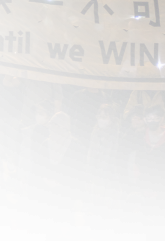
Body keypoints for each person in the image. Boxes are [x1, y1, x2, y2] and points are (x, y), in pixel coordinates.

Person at [34, 111, 86, 241]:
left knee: (67, 228)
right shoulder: (46, 144)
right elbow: (39, 168)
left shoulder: (75, 146)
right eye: (51, 125)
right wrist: (47, 180)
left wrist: (79, 197)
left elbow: (79, 173)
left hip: (68, 194)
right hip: (50, 194)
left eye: (56, 125)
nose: (53, 128)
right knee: (52, 228)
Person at [133, 104, 165, 236]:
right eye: (149, 118)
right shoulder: (139, 136)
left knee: (158, 227)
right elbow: (130, 155)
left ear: (161, 119)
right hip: (142, 188)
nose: (152, 121)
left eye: (155, 118)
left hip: (161, 192)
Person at [19, 99, 54, 241]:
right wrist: (22, 175)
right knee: (34, 215)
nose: (38, 116)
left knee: (51, 216)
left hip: (50, 180)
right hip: (34, 178)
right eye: (37, 113)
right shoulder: (30, 131)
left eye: (42, 113)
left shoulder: (55, 132)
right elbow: (23, 153)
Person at [86, 103, 121, 239]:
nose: (101, 119)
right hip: (97, 176)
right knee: (96, 207)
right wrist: (87, 175)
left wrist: (116, 177)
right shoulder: (96, 132)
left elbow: (117, 157)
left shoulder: (116, 133)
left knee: (109, 211)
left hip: (110, 177)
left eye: (104, 117)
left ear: (112, 118)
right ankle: (98, 233)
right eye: (99, 116)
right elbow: (91, 155)